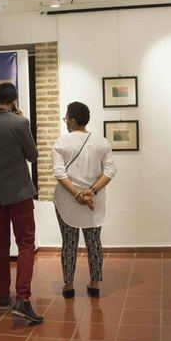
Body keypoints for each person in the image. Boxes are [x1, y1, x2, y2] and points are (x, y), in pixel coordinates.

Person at [0, 83, 43, 323]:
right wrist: (26, 124)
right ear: (13, 100)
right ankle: (22, 298)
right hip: (20, 192)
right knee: (25, 243)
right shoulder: (20, 123)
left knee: (0, 244)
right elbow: (32, 156)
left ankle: (3, 296)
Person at [52, 102, 117, 298]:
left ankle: (68, 285)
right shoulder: (101, 142)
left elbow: (59, 173)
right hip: (94, 201)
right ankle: (95, 283)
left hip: (67, 200)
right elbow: (111, 170)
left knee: (69, 243)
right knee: (94, 242)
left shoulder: (61, 142)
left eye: (66, 119)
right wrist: (91, 191)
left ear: (72, 120)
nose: (66, 122)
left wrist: (78, 194)